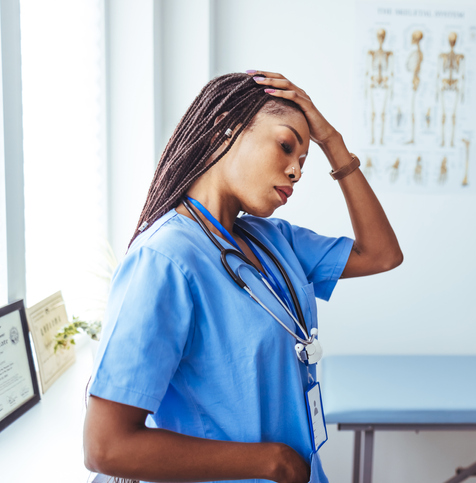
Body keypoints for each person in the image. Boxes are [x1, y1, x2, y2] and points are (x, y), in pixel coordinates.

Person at [83, 72, 403, 483]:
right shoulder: (164, 259)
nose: (296, 172)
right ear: (225, 128)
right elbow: (106, 446)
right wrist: (275, 463)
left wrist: (333, 143)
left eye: (304, 161)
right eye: (286, 146)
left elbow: (381, 255)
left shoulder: (273, 241)